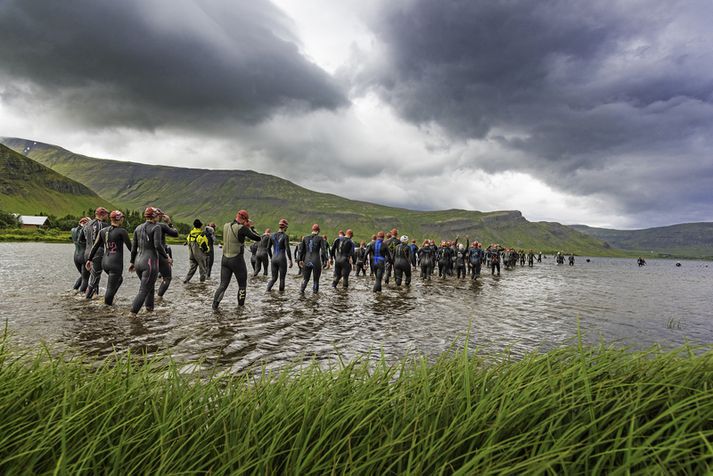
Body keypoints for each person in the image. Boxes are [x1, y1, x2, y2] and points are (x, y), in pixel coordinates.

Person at [212, 210, 261, 309]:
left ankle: (214, 307)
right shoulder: (242, 228)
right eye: (246, 220)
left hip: (225, 259)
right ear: (244, 219)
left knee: (223, 285)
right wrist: (250, 227)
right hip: (237, 259)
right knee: (242, 286)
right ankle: (240, 309)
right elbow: (257, 238)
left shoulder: (226, 226)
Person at [86, 210, 132, 305]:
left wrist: (89, 259)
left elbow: (95, 246)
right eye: (122, 218)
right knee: (110, 288)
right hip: (115, 263)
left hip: (105, 262)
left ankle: (107, 299)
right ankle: (107, 307)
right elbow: (131, 248)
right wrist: (134, 260)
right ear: (119, 219)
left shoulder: (103, 231)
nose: (123, 219)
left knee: (119, 280)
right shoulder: (122, 232)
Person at [129, 207, 169, 314]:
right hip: (150, 263)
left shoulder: (138, 228)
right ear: (154, 216)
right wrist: (166, 257)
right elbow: (158, 245)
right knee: (143, 291)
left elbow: (133, 248)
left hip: (138, 261)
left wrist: (132, 262)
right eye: (157, 215)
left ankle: (149, 310)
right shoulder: (156, 227)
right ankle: (132, 314)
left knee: (149, 288)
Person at [84, 207, 110, 299]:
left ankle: (94, 297)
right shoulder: (103, 225)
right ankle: (87, 300)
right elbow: (107, 240)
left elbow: (85, 237)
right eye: (107, 214)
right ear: (102, 215)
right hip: (97, 253)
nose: (108, 216)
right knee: (95, 278)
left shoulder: (87, 224)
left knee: (93, 277)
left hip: (87, 252)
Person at [299, 224, 329, 294]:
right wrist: (326, 260)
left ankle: (301, 293)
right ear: (318, 231)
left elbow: (301, 250)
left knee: (305, 279)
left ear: (312, 230)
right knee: (316, 280)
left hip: (306, 261)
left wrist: (300, 260)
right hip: (316, 261)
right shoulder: (320, 238)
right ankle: (315, 297)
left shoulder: (305, 238)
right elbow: (324, 251)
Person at [156, 210, 179, 298]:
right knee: (167, 278)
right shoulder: (162, 226)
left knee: (149, 279)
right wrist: (169, 223)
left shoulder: (142, 226)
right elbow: (175, 234)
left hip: (147, 255)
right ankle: (158, 297)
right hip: (161, 254)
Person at [266, 219, 293, 292]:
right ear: (285, 227)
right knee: (282, 278)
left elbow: (268, 248)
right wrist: (290, 260)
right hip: (282, 259)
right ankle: (281, 297)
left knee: (274, 278)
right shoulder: (285, 236)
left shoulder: (272, 235)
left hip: (274, 259)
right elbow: (287, 249)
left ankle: (267, 291)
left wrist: (271, 257)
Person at [71, 217, 90, 291]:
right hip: (83, 255)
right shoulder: (84, 230)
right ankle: (82, 297)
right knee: (85, 278)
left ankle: (74, 290)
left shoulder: (73, 230)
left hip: (76, 255)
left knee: (83, 276)